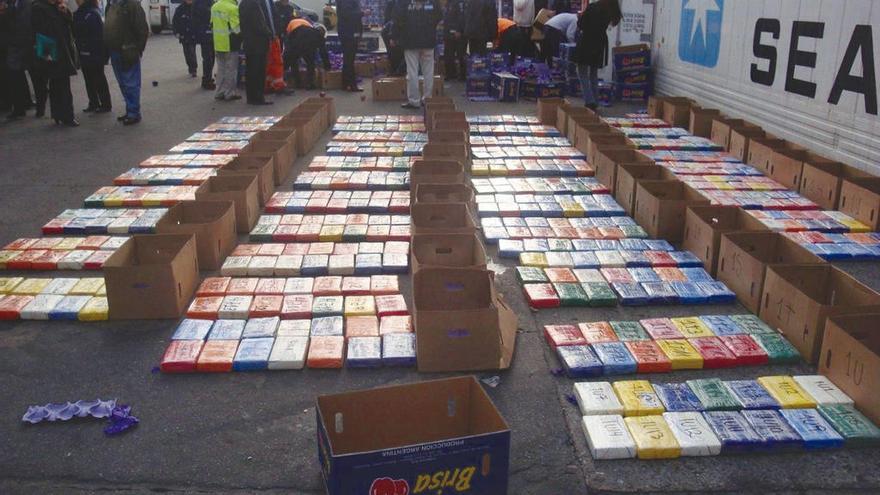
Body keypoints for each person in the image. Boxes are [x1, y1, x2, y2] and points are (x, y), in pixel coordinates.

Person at [31, 0, 79, 126]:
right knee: (59, 83)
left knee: (59, 82)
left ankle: (60, 114)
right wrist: (46, 53)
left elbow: (70, 24)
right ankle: (66, 116)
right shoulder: (39, 7)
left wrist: (66, 12)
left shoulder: (57, 6)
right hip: (52, 50)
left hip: (62, 49)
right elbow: (41, 31)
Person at [105, 0, 148, 125]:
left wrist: (137, 49)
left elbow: (142, 29)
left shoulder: (132, 5)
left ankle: (133, 112)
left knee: (130, 83)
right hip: (115, 50)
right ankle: (130, 110)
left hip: (128, 50)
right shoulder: (112, 4)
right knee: (123, 83)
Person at [393, 0, 441, 109]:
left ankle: (414, 100)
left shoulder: (404, 3)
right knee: (428, 72)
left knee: (412, 72)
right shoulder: (433, 2)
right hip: (428, 40)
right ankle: (428, 99)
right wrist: (429, 26)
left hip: (410, 40)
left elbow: (398, 19)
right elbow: (439, 16)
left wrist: (395, 36)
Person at [573, 0, 621, 109]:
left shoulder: (593, 7)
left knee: (582, 71)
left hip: (586, 42)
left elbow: (581, 25)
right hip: (600, 44)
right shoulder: (609, 10)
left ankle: (589, 100)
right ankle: (595, 101)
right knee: (593, 74)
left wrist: (580, 16)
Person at [73, 0, 111, 113]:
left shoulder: (92, 13)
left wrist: (103, 54)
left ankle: (105, 104)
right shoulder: (80, 13)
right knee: (88, 78)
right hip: (84, 50)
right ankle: (94, 102)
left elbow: (99, 35)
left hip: (94, 51)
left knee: (98, 78)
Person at [7, 0, 40, 119]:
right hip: (16, 45)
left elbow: (27, 24)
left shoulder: (27, 3)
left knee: (36, 76)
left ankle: (39, 107)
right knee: (16, 76)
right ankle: (19, 108)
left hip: (27, 44)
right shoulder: (11, 4)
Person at [173, 0, 215, 89]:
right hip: (199, 34)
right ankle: (196, 71)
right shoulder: (184, 8)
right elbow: (176, 21)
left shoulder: (208, 3)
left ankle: (206, 77)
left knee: (210, 57)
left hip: (205, 34)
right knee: (193, 53)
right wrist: (177, 32)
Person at [239, 0, 274, 104]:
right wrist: (269, 33)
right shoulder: (253, 4)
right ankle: (258, 97)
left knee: (250, 71)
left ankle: (251, 97)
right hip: (258, 43)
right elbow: (259, 24)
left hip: (249, 43)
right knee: (258, 71)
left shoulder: (243, 3)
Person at [284, 18, 328, 89]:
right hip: (306, 43)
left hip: (296, 41)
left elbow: (288, 39)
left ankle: (297, 83)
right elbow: (323, 52)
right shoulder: (315, 32)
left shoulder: (292, 23)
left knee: (293, 61)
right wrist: (327, 66)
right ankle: (310, 84)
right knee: (310, 62)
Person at [211, 0, 241, 101]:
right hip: (230, 44)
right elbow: (236, 29)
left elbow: (212, 24)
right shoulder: (233, 8)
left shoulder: (214, 6)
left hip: (218, 43)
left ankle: (219, 92)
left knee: (221, 69)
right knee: (231, 70)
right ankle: (229, 93)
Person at [336, 0, 362, 91]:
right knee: (349, 59)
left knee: (348, 58)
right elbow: (347, 14)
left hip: (348, 31)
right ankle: (351, 84)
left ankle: (346, 83)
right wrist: (362, 13)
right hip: (349, 32)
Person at [442, 0, 466, 81]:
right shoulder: (448, 3)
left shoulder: (460, 3)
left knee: (461, 55)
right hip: (448, 33)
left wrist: (459, 30)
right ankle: (451, 74)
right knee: (448, 55)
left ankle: (462, 75)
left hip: (458, 33)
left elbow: (461, 17)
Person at [380, 0, 403, 76]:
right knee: (396, 54)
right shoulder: (397, 3)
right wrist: (392, 37)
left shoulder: (393, 3)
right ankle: (396, 72)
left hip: (389, 31)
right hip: (391, 32)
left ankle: (395, 72)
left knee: (393, 54)